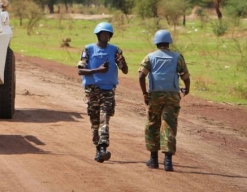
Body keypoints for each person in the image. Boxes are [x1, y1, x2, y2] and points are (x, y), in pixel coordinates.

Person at [138, 29, 191, 172]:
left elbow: (141, 76)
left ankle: (153, 159)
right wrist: (187, 88)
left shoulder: (149, 57)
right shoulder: (177, 57)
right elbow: (185, 76)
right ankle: (168, 161)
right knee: (169, 125)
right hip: (172, 96)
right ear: (169, 42)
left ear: (156, 42)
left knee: (152, 125)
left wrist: (144, 93)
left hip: (154, 95)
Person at [77, 22, 129, 163]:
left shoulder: (115, 50)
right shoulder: (88, 49)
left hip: (108, 90)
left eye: (108, 34)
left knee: (104, 118)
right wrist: (97, 70)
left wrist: (122, 61)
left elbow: (125, 70)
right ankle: (98, 149)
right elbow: (80, 70)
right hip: (92, 91)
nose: (105, 36)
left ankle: (103, 147)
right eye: (103, 34)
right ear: (98, 35)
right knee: (94, 121)